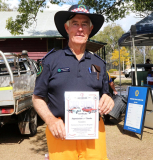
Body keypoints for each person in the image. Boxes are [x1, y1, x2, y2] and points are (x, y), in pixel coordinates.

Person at [32, 4, 114, 160]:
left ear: (90, 30)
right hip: (60, 133)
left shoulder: (99, 63)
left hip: (94, 132)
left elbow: (106, 94)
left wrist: (108, 99)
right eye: (75, 24)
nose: (80, 29)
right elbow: (37, 97)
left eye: (84, 24)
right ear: (66, 28)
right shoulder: (51, 61)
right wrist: (50, 120)